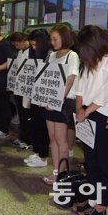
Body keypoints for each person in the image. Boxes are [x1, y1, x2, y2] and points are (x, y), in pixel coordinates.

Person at [74, 25, 108, 215]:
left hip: (104, 115)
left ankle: (102, 206)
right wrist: (79, 107)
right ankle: (93, 197)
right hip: (86, 112)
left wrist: (86, 110)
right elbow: (81, 83)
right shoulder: (91, 56)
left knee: (104, 162)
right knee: (90, 161)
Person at [41, 24, 79, 184]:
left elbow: (70, 79)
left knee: (61, 139)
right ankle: (55, 170)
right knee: (52, 137)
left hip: (63, 102)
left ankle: (61, 173)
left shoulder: (72, 56)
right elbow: (47, 77)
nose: (53, 42)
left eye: (55, 38)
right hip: (50, 100)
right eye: (51, 39)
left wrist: (57, 99)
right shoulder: (52, 55)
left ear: (64, 38)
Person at [24, 29, 51, 168]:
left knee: (42, 128)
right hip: (35, 95)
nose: (33, 48)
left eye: (35, 45)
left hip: (44, 97)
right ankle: (37, 152)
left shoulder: (50, 55)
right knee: (35, 124)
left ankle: (43, 156)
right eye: (32, 45)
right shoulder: (35, 55)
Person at [10, 32, 33, 150]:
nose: (15, 47)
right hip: (18, 87)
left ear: (22, 41)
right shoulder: (19, 52)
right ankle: (22, 137)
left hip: (27, 89)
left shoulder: (32, 52)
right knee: (21, 115)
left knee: (27, 115)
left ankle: (28, 140)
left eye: (17, 44)